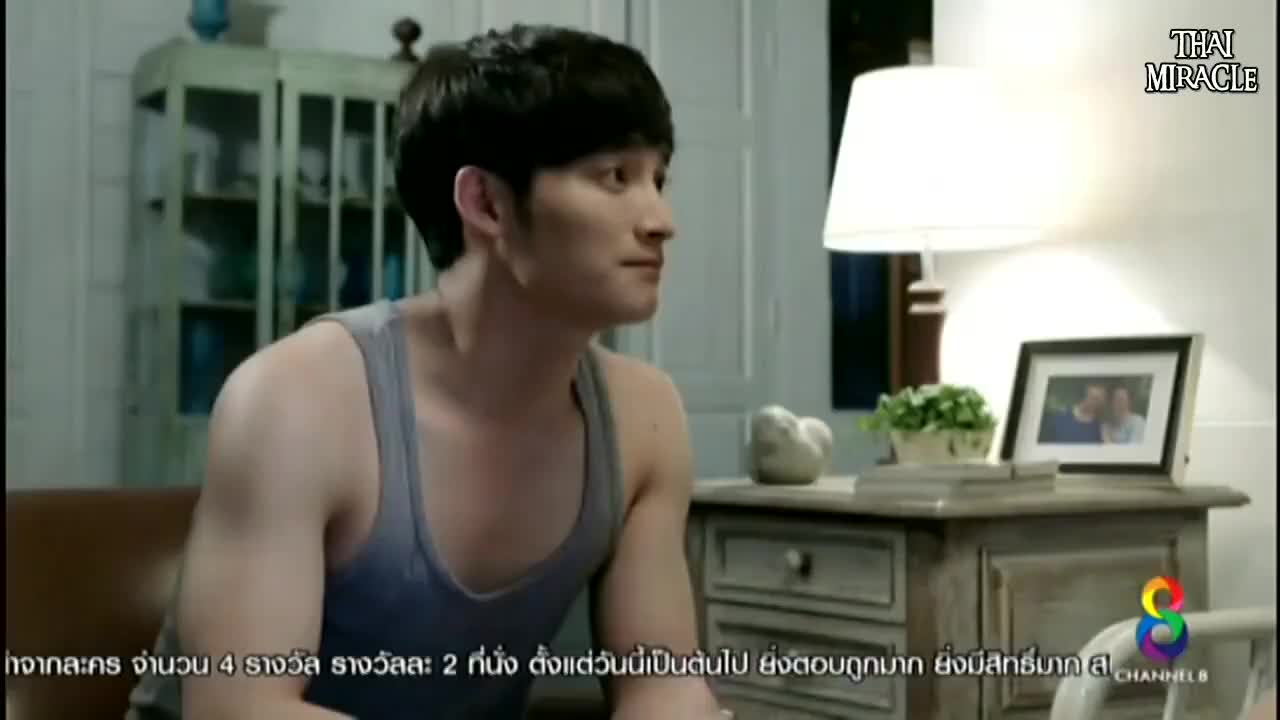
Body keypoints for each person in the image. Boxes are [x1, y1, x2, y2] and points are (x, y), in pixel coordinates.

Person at [126, 25, 728, 719]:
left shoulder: (645, 418)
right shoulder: (295, 400)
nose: (660, 219)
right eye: (614, 177)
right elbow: (239, 707)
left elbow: (664, 681)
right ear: (486, 204)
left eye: (658, 178)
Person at [1038, 382, 1107, 443]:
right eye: (1094, 398)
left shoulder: (1101, 427)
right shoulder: (1058, 418)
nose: (1099, 403)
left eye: (1101, 399)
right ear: (1083, 397)